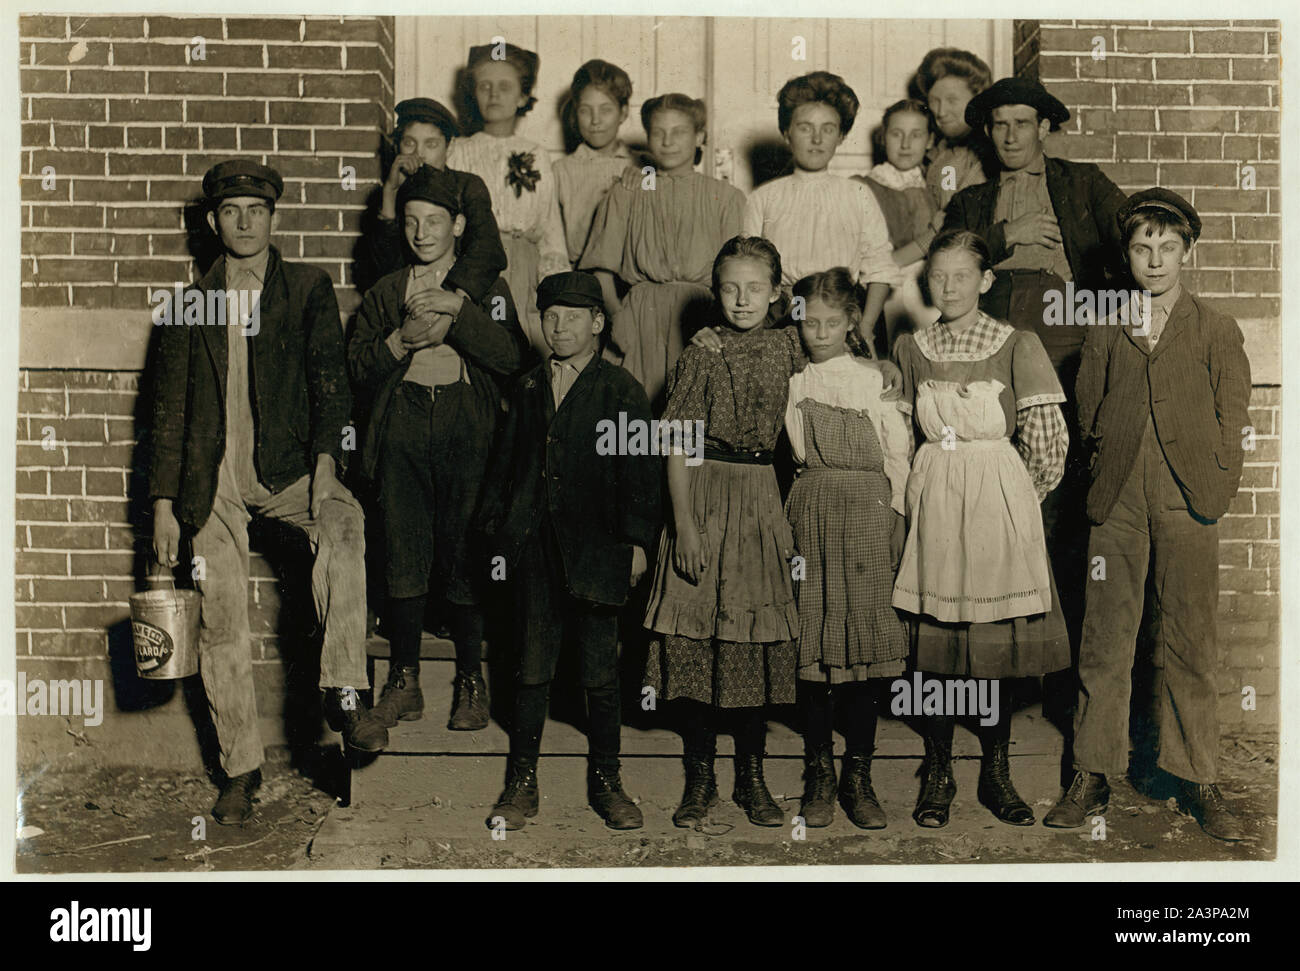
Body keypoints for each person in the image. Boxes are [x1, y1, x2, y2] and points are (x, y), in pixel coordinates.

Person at [150, 160, 379, 825]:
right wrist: (165, 503)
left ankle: (343, 686)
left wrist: (329, 464)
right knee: (220, 612)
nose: (244, 223)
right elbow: (167, 411)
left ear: (273, 218)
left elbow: (331, 384)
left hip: (289, 466)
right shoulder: (188, 302)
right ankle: (240, 768)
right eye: (231, 212)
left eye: (257, 210)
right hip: (213, 474)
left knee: (344, 529)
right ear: (213, 222)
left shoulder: (306, 289)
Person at [1045, 189, 1252, 842]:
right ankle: (1092, 771)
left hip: (1190, 496)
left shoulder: (1217, 328)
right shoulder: (1107, 326)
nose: (1155, 260)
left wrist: (1215, 482)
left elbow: (1234, 416)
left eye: (1168, 248)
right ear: (1127, 255)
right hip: (1120, 499)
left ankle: (1198, 777)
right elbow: (1087, 409)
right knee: (1105, 638)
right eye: (1142, 248)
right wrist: (1107, 467)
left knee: (1190, 642)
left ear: (1188, 252)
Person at [942, 76, 1128, 689]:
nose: (1011, 135)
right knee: (1002, 495)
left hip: (1071, 336)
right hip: (995, 345)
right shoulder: (972, 203)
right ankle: (1002, 667)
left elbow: (1133, 246)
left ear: (1045, 128)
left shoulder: (1084, 184)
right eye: (999, 125)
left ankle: (1064, 673)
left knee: (1069, 499)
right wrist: (1006, 239)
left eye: (1023, 123)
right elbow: (945, 266)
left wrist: (1110, 325)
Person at [892, 229, 1071, 828]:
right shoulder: (911, 346)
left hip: (996, 499)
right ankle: (938, 769)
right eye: (938, 276)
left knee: (991, 648)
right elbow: (900, 434)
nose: (948, 286)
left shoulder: (1017, 343)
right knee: (938, 647)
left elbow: (1046, 438)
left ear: (986, 281)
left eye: (962, 276)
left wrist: (1016, 504)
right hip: (935, 500)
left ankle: (997, 770)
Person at [475, 270, 661, 831]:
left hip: (599, 551)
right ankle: (522, 782)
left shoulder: (620, 389)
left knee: (600, 672)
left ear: (598, 324)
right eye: (549, 317)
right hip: (535, 551)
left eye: (572, 318)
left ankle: (608, 781)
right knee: (531, 670)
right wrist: (497, 536)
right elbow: (503, 470)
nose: (558, 329)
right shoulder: (528, 388)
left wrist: (637, 544)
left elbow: (642, 476)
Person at [347, 166, 529, 735]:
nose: (422, 233)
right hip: (401, 424)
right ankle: (403, 681)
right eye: (410, 222)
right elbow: (354, 366)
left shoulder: (483, 290)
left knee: (465, 548)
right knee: (403, 544)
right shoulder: (387, 290)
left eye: (434, 222)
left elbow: (512, 359)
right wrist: (400, 341)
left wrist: (457, 317)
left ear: (458, 225)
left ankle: (471, 681)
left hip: (463, 425)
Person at [640, 235, 805, 828]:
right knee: (697, 646)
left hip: (762, 501)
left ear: (777, 293)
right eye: (729, 288)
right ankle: (700, 779)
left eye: (755, 288)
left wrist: (884, 369)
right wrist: (683, 525)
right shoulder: (701, 353)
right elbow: (676, 444)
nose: (741, 300)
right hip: (705, 497)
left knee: (751, 645)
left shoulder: (792, 347)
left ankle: (753, 779)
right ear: (715, 292)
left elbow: (842, 337)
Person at [784, 268, 912, 829]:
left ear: (852, 322)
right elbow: (788, 453)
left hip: (866, 512)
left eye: (831, 322)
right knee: (812, 641)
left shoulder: (873, 380)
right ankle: (819, 770)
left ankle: (858, 774)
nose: (819, 332)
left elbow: (898, 457)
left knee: (863, 649)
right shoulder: (792, 380)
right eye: (809, 322)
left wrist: (897, 519)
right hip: (810, 510)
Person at [580, 92, 744, 409]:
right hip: (640, 318)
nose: (667, 141)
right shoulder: (627, 191)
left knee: (692, 423)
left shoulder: (726, 197)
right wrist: (618, 318)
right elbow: (600, 270)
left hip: (701, 320)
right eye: (658, 132)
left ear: (699, 137)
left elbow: (736, 276)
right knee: (631, 419)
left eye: (679, 132)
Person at [743, 71, 898, 354]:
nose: (816, 138)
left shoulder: (857, 194)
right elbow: (747, 273)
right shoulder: (764, 198)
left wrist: (866, 328)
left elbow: (880, 268)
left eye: (828, 129)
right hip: (784, 320)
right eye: (805, 127)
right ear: (786, 131)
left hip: (844, 320)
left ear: (841, 135)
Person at [448, 42, 569, 357]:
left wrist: (557, 291)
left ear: (522, 97)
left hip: (523, 267)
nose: (493, 94)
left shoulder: (535, 155)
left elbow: (549, 230)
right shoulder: (457, 150)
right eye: (484, 86)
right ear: (473, 94)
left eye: (504, 87)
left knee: (521, 353)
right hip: (473, 264)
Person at [357, 97, 507, 300]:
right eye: (409, 143)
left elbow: (488, 252)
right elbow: (380, 273)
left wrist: (454, 303)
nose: (419, 155)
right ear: (397, 146)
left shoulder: (467, 186)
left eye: (431, 144)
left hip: (459, 295)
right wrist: (390, 193)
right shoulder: (389, 194)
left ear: (450, 147)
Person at [856, 98, 942, 342]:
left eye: (916, 135)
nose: (905, 144)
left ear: (930, 141)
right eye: (896, 134)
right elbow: (877, 261)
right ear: (883, 137)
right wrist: (929, 238)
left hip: (933, 287)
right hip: (886, 290)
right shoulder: (866, 186)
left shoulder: (936, 184)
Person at [553, 59, 641, 267]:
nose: (595, 120)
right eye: (585, 110)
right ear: (575, 112)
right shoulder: (561, 171)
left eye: (606, 109)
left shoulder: (642, 164)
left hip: (632, 276)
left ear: (624, 112)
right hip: (580, 274)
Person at [914, 47, 993, 214]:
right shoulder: (938, 152)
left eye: (952, 100)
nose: (941, 112)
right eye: (934, 101)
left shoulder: (984, 156)